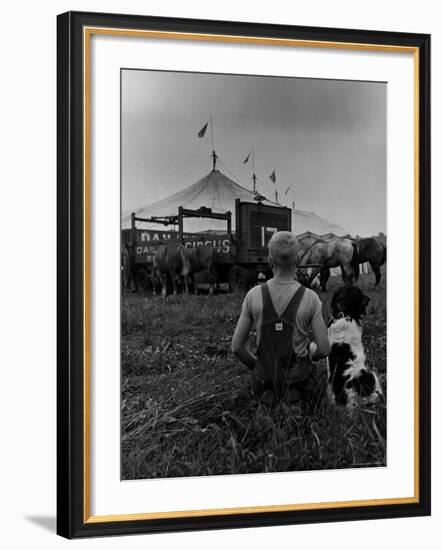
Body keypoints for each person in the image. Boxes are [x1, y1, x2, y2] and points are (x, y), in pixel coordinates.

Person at [231, 231, 330, 405]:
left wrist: (258, 366)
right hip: (299, 379)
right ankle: (293, 396)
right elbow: (324, 349)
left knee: (262, 383)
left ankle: (267, 393)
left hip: (263, 377)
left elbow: (237, 348)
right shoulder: (310, 297)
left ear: (269, 262)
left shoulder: (253, 295)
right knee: (309, 379)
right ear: (298, 261)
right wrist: (311, 352)